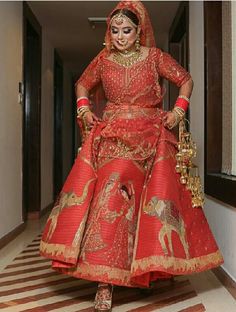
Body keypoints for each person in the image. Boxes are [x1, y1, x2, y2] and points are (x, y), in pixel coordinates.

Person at [40, 1, 223, 311]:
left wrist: (178, 112)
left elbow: (185, 80)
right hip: (112, 136)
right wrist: (83, 108)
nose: (120, 36)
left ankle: (142, 273)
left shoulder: (155, 58)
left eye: (126, 31)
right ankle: (104, 283)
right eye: (114, 31)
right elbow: (82, 83)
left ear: (139, 32)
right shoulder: (103, 60)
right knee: (111, 197)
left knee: (146, 206)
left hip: (151, 136)